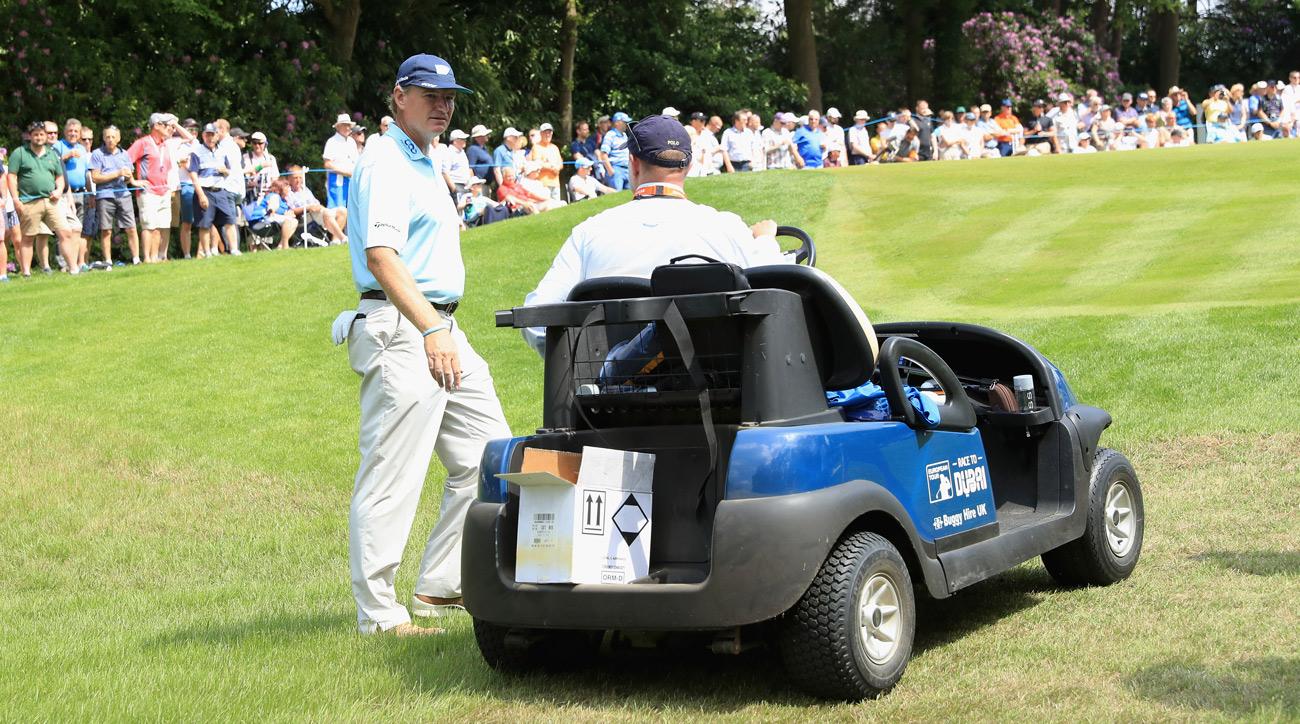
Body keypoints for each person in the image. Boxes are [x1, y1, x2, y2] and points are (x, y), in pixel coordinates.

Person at [343, 54, 511, 637]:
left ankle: (442, 584)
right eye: (430, 95)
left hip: (438, 325)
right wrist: (431, 329)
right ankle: (380, 615)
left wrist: (441, 329)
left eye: (449, 97)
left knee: (487, 455)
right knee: (393, 472)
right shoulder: (386, 160)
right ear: (399, 97)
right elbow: (381, 257)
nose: (443, 105)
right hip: (405, 326)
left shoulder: (425, 159)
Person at [522, 114, 787, 353]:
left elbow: (536, 322)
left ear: (633, 165)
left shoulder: (589, 234)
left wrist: (582, 367)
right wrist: (764, 241)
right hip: (721, 398)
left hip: (608, 402)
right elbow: (779, 297)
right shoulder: (725, 227)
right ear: (689, 165)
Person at [7, 121, 79, 276]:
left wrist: (59, 190)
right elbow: (11, 177)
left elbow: (59, 176)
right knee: (27, 238)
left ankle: (74, 268)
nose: (39, 137)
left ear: (46, 136)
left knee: (65, 233)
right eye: (35, 134)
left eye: (41, 134)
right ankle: (26, 273)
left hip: (52, 201)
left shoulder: (52, 154)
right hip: (29, 202)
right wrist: (15, 199)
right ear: (30, 136)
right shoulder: (19, 153)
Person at [88, 126, 140, 267]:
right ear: (103, 138)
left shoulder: (124, 155)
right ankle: (108, 262)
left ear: (118, 138)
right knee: (106, 230)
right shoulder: (97, 154)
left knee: (131, 227)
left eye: (113, 137)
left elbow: (129, 178)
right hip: (105, 195)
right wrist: (117, 173)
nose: (110, 140)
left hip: (123, 194)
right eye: (107, 137)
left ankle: (136, 259)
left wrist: (129, 177)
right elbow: (95, 177)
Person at [188, 123, 237, 259]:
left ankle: (234, 250)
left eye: (212, 135)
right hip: (205, 191)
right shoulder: (197, 151)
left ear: (217, 136)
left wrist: (225, 171)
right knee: (204, 224)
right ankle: (207, 253)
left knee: (229, 220)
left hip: (220, 190)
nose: (209, 138)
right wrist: (201, 194)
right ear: (203, 135)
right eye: (207, 135)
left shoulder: (222, 151)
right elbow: (193, 174)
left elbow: (229, 171)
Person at [285, 163, 347, 244]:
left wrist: (318, 207)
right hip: (304, 216)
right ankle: (343, 238)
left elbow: (316, 203)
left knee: (343, 210)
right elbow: (291, 210)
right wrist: (308, 207)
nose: (298, 180)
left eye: (300, 177)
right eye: (295, 178)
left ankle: (335, 240)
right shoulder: (288, 192)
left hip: (317, 211)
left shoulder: (304, 189)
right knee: (327, 213)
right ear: (289, 179)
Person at [212, 119, 245, 254]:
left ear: (222, 130)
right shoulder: (232, 145)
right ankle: (230, 249)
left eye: (215, 130)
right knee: (228, 220)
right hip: (236, 187)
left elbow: (225, 167)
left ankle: (232, 249)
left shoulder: (225, 146)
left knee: (228, 221)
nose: (213, 133)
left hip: (229, 186)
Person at [244, 177, 297, 250]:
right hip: (261, 221)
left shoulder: (283, 201)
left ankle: (280, 246)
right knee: (289, 220)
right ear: (280, 187)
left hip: (269, 220)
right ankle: (285, 246)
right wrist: (282, 214)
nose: (289, 188)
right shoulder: (274, 196)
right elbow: (271, 210)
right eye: (286, 186)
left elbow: (287, 213)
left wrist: (287, 214)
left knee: (294, 221)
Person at [323, 113, 358, 209]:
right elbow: (327, 164)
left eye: (348, 125)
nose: (347, 128)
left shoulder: (351, 142)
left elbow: (356, 162)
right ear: (338, 127)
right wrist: (345, 172)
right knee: (338, 211)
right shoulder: (332, 142)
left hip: (352, 181)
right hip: (336, 182)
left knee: (352, 212)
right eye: (344, 125)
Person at [529, 123, 564, 200]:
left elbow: (560, 162)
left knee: (557, 207)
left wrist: (557, 167)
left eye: (549, 132)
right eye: (545, 132)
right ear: (541, 133)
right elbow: (537, 163)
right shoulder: (536, 147)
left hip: (555, 183)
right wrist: (552, 167)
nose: (548, 135)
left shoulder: (555, 148)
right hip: (543, 183)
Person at [598, 112, 632, 190]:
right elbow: (603, 154)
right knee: (617, 196)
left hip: (628, 170)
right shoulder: (610, 135)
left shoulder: (625, 135)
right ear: (617, 123)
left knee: (629, 197)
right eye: (624, 122)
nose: (627, 124)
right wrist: (610, 170)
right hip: (616, 170)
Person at [244, 131, 279, 202]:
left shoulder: (271, 158)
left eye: (260, 143)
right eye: (254, 143)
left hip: (268, 194)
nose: (257, 146)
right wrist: (261, 166)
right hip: (252, 194)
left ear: (265, 144)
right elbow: (247, 174)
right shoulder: (246, 157)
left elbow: (275, 177)